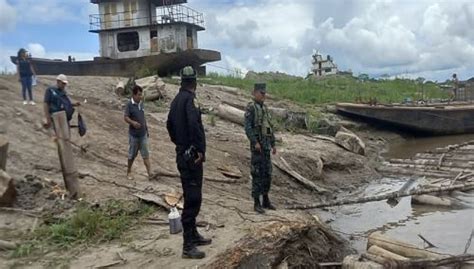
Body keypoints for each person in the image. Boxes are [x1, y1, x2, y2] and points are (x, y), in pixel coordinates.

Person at [166, 66, 211, 259]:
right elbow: (194, 125)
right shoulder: (190, 100)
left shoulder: (176, 100)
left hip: (182, 153)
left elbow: (169, 125)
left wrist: (179, 144)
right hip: (191, 157)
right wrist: (199, 150)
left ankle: (193, 235)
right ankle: (187, 246)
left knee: (192, 194)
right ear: (194, 82)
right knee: (193, 199)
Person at [244, 83, 277, 214]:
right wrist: (254, 142)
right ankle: (256, 202)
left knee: (267, 173)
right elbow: (248, 127)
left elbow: (269, 128)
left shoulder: (265, 109)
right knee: (257, 173)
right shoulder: (251, 108)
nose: (263, 95)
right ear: (255, 93)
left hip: (267, 147)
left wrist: (273, 144)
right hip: (257, 148)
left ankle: (266, 200)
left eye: (264, 93)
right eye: (261, 93)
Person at [124, 85, 151, 180]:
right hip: (134, 136)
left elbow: (143, 118)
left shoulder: (141, 104)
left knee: (146, 154)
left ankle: (150, 173)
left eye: (141, 94)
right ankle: (129, 171)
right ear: (134, 95)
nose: (140, 96)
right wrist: (133, 123)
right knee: (132, 155)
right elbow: (126, 117)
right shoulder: (129, 105)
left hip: (142, 134)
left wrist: (146, 129)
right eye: (139, 95)